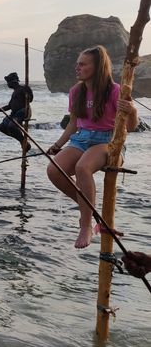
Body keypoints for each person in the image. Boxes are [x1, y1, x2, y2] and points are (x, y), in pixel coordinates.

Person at [46, 46, 138, 249]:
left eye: (82, 64)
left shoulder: (115, 90)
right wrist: (57, 145)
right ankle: (89, 208)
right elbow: (73, 123)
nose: (77, 67)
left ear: (97, 67)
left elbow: (131, 127)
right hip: (81, 139)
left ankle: (85, 224)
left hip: (109, 142)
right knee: (54, 170)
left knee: (82, 167)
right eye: (77, 63)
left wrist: (132, 110)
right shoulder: (76, 91)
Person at [0, 72, 34, 150]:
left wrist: (28, 91)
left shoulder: (22, 89)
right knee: (2, 127)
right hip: (14, 114)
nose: (7, 84)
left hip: (22, 112)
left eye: (8, 82)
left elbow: (30, 99)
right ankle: (23, 141)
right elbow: (9, 106)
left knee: (12, 126)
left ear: (13, 82)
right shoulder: (14, 92)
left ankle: (24, 142)